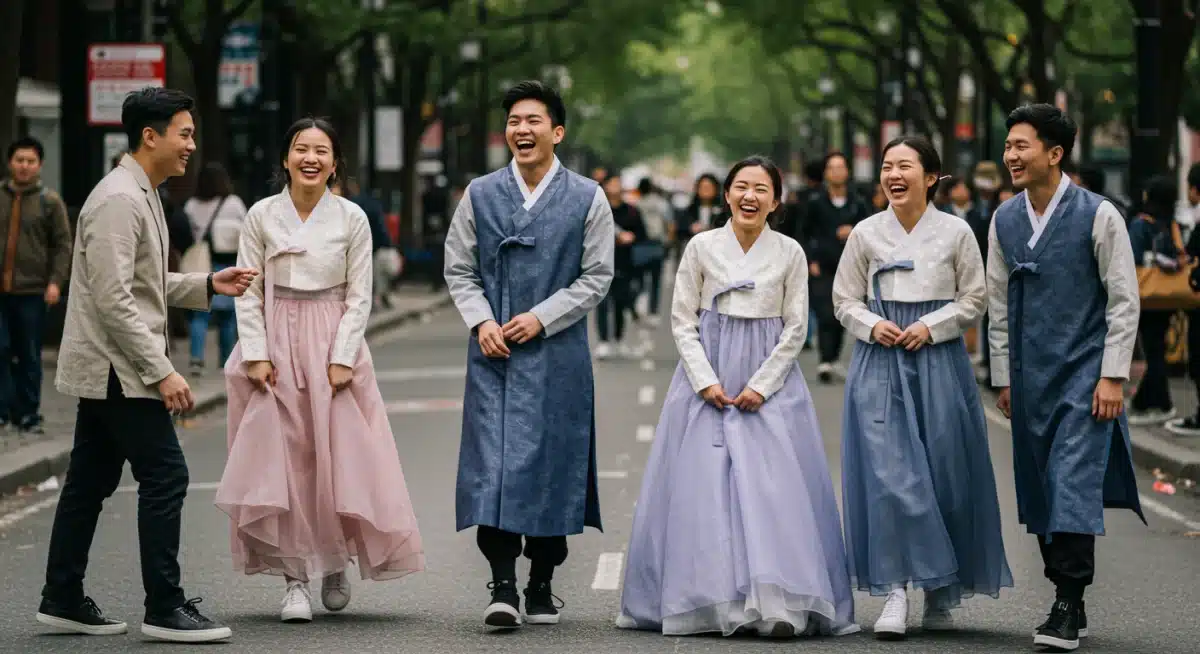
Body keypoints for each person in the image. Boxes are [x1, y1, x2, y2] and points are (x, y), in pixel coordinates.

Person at [37, 87, 256, 642]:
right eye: (185, 134)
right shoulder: (119, 199)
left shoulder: (142, 192)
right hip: (118, 368)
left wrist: (208, 284)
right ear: (150, 136)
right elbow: (114, 299)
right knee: (166, 474)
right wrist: (162, 370)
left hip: (113, 365)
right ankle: (164, 606)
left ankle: (61, 596)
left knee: (90, 480)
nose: (192, 145)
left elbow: (144, 283)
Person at [616, 156, 859, 639]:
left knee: (774, 489)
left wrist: (761, 385)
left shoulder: (789, 252)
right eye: (741, 187)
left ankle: (780, 603)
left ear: (776, 200)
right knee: (704, 489)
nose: (750, 196)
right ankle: (710, 601)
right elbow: (683, 319)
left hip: (770, 378)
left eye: (761, 189)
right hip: (707, 374)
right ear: (726, 194)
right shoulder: (701, 246)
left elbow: (796, 327)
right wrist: (704, 380)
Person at [215, 117, 425, 623]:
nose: (310, 158)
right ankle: (294, 580)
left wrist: (342, 357)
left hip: (332, 339)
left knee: (340, 458)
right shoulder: (261, 215)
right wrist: (256, 352)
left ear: (334, 163)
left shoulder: (352, 218)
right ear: (285, 159)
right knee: (285, 462)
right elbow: (247, 291)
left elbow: (360, 294)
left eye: (321, 150)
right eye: (301, 148)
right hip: (276, 339)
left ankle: (334, 563)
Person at [443, 80, 614, 629]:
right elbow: (458, 268)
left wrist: (542, 316)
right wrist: (481, 320)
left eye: (533, 120)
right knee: (490, 469)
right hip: (493, 354)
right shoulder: (480, 194)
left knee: (553, 466)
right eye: (514, 120)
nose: (522, 129)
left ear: (556, 132)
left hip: (558, 355)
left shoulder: (588, 197)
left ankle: (542, 581)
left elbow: (597, 276)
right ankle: (502, 585)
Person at [836, 136, 1013, 640]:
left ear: (931, 177)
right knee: (890, 478)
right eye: (887, 166)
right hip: (880, 359)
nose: (893, 175)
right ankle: (895, 590)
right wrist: (873, 324)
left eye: (904, 166)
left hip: (938, 361)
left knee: (943, 473)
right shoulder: (866, 233)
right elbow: (844, 299)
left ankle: (940, 590)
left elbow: (975, 298)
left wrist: (931, 327)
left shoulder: (956, 232)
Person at [988, 103, 1143, 652]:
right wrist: (1003, 377)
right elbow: (997, 303)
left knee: (1071, 483)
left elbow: (1124, 299)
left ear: (1054, 153)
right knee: (1040, 486)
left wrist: (1113, 376)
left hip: (1084, 374)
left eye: (1021, 145)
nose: (1011, 155)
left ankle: (1068, 600)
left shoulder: (1099, 215)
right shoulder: (1004, 219)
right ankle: (1066, 592)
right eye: (1008, 145)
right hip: (1029, 378)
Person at [0, 136, 72, 434]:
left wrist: (56, 281)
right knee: (1, 349)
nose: (24, 166)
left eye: (30, 161)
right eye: (19, 160)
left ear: (40, 165)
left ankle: (28, 412)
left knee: (29, 352)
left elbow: (63, 245)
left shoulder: (50, 201)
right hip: (1, 291)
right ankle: (3, 410)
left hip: (33, 290)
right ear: (10, 163)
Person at [807, 151, 871, 383]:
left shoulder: (858, 202)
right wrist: (810, 260)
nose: (836, 172)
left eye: (840, 167)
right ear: (826, 173)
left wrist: (853, 230)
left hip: (850, 265)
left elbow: (869, 228)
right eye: (832, 168)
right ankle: (825, 360)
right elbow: (804, 232)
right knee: (825, 311)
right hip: (823, 266)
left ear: (847, 171)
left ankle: (832, 358)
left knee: (842, 311)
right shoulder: (815, 202)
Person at [181, 162, 246, 374]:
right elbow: (247, 229)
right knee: (227, 317)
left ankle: (196, 359)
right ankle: (225, 361)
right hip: (228, 263)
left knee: (199, 314)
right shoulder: (233, 203)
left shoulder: (191, 205)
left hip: (201, 263)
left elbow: (184, 232)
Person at [595, 174, 647, 359]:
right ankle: (603, 341)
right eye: (612, 183)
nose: (615, 187)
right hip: (600, 263)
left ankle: (618, 339)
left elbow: (642, 233)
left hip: (624, 263)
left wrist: (632, 237)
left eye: (618, 183)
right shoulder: (598, 209)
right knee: (602, 304)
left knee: (620, 303)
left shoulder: (631, 211)